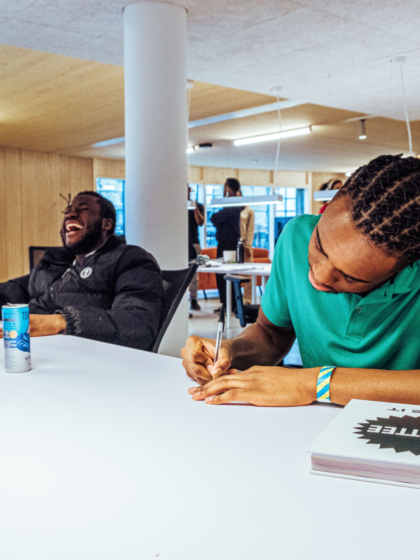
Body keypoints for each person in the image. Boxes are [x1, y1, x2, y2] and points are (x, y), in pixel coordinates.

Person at [181, 155, 420, 407]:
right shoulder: (296, 236)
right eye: (319, 246)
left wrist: (313, 383)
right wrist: (230, 351)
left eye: (349, 277)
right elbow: (270, 333)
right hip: (313, 422)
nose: (318, 277)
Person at [0, 191, 164, 351]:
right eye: (67, 212)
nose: (70, 215)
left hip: (77, 356)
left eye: (83, 209)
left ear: (106, 224)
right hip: (26, 344)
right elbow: (18, 289)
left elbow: (138, 324)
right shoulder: (58, 261)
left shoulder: (128, 258)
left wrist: (62, 322)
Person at [188, 185, 205, 311]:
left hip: (195, 243)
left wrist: (194, 207)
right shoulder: (175, 204)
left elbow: (200, 222)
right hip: (179, 244)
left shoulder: (198, 205)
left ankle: (194, 299)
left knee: (194, 274)